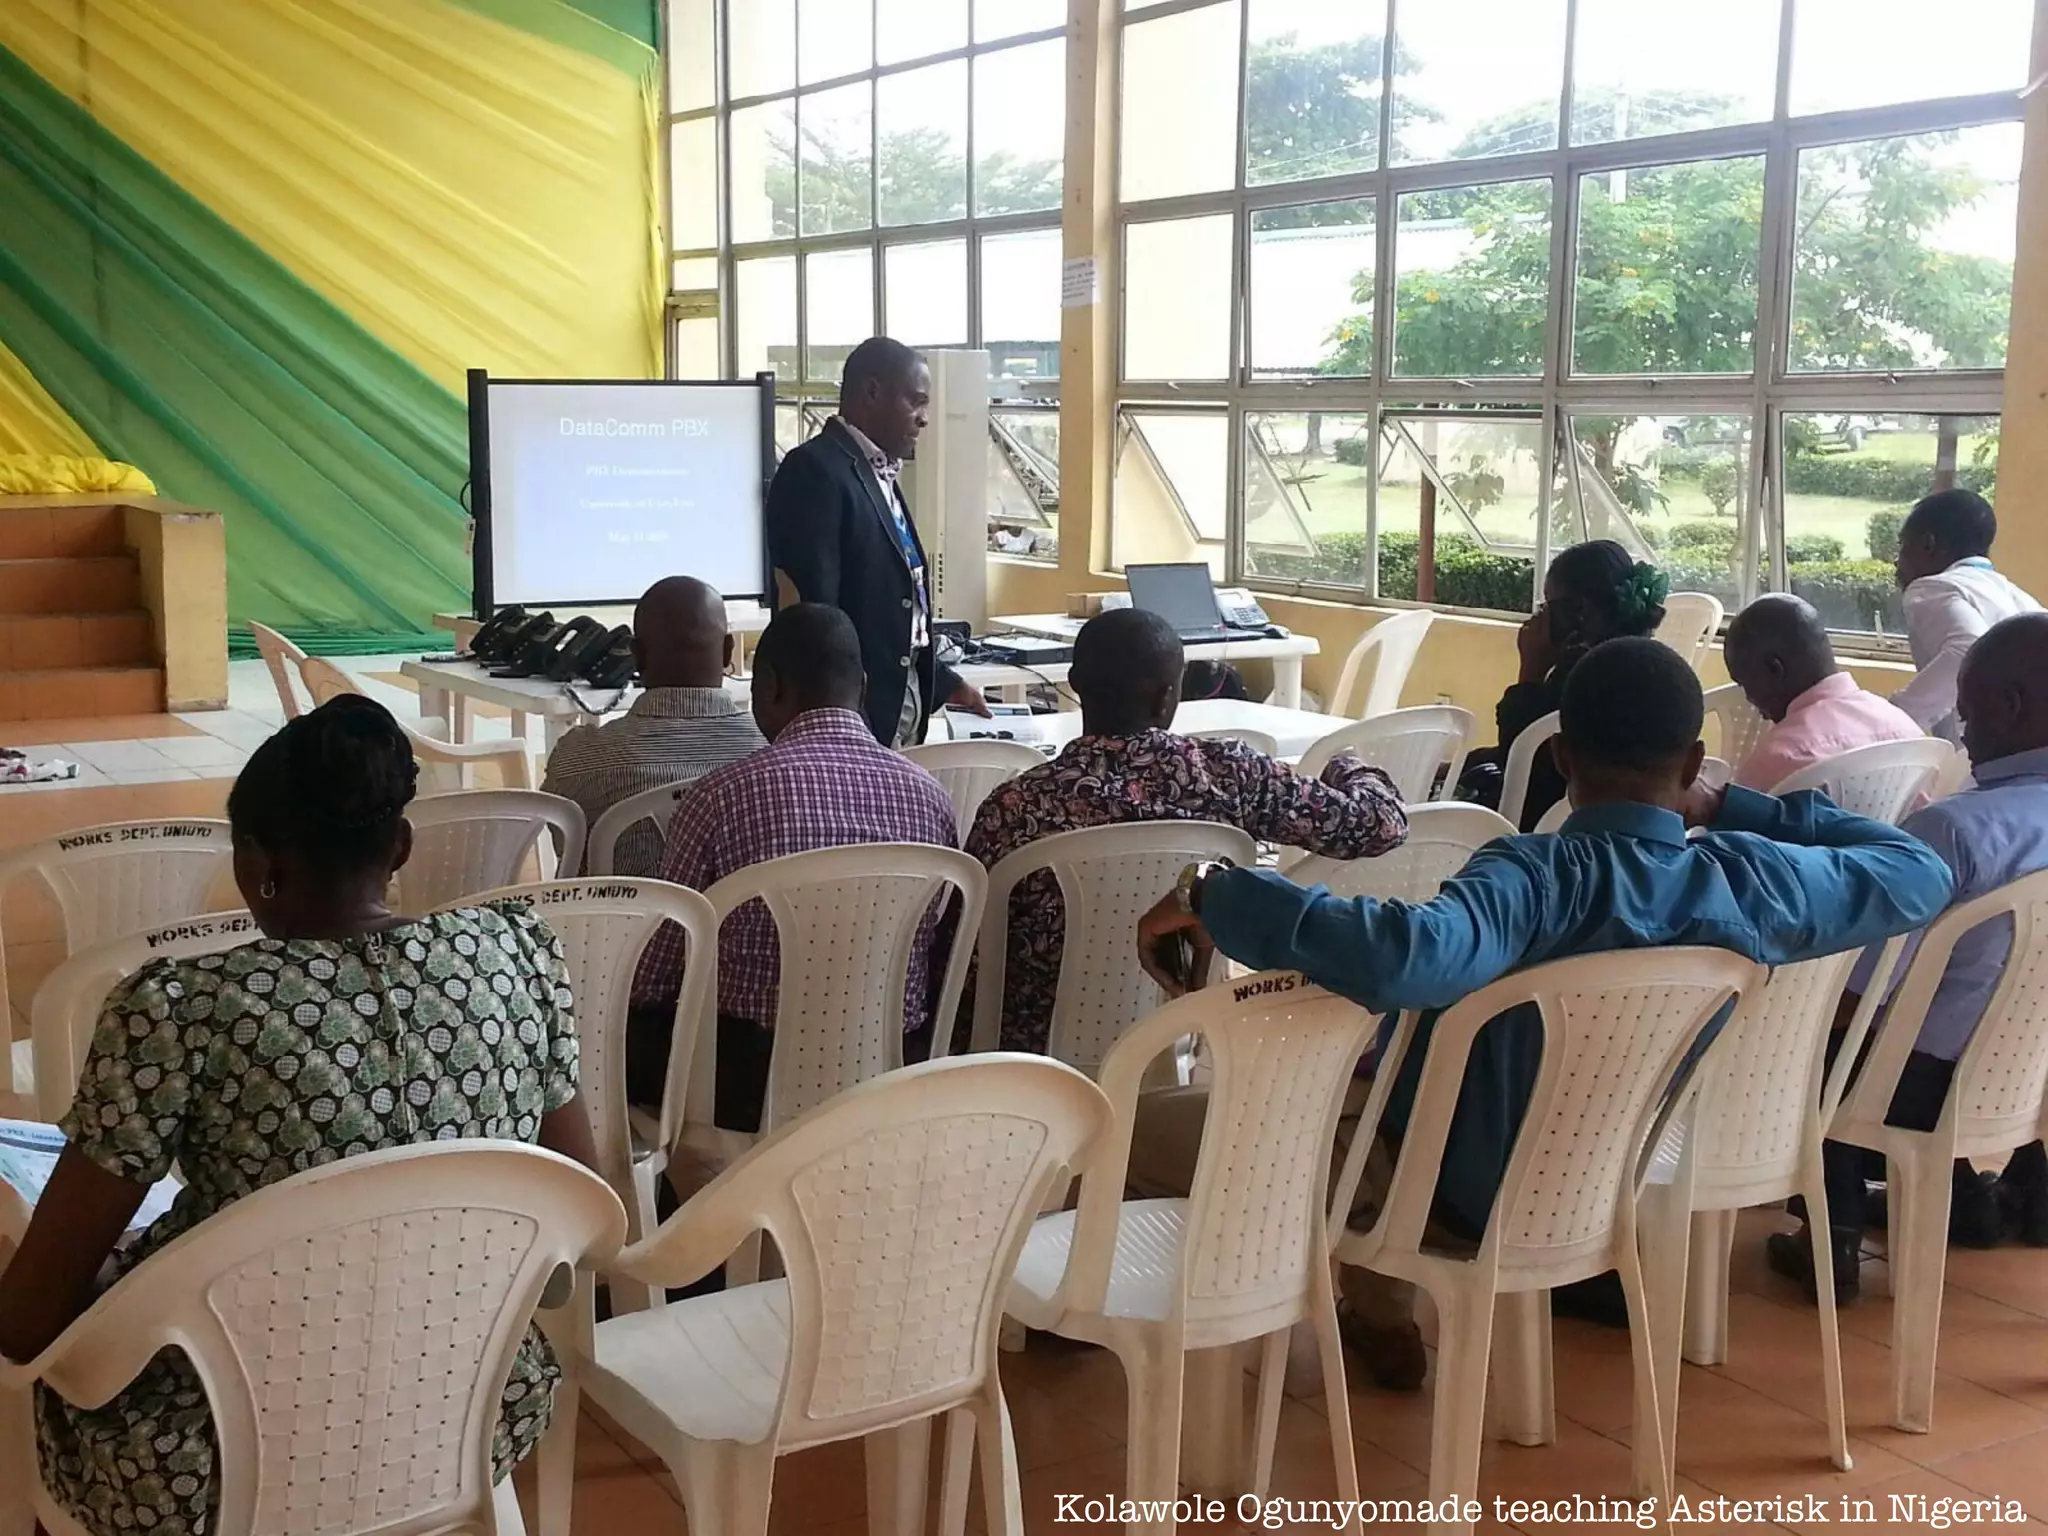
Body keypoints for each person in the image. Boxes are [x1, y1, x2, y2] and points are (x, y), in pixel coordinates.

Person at [1134, 637, 1952, 1389]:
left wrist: (1220, 889)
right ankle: (1373, 1310)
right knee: (1385, 1099)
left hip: (1447, 1191)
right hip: (1603, 1179)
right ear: (1696, 762)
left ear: (1561, 759)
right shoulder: (1750, 883)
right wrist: (1737, 807)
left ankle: (1138, 1333)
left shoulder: (1532, 879)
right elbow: (1916, 869)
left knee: (1121, 1132)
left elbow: (1409, 957)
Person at [0, 695, 598, 1536]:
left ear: (253, 863)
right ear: (400, 846)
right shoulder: (514, 955)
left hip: (216, 1456)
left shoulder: (182, 1010)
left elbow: (28, 1323)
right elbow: (588, 1195)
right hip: (468, 1407)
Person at [964, 607, 1409, 1055]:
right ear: (1167, 697)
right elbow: (1382, 825)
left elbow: (963, 952)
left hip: (1030, 1053)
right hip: (1174, 1029)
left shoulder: (1015, 806)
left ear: (1075, 684)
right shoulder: (1230, 775)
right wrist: (1347, 764)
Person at [1772, 613, 2048, 1298]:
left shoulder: (1954, 830)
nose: (1960, 723)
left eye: (1969, 705)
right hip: (2031, 1077)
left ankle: (1828, 1236)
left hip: (1922, 1091)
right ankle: (1978, 1196)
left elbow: (1859, 995)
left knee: (1808, 1042)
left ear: (2010, 706)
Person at [629, 602, 958, 1130]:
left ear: (771, 688)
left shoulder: (719, 798)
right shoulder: (931, 797)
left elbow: (657, 974)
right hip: (888, 1066)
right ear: (863, 685)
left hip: (746, 1083)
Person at [764, 335, 989, 747]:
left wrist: (943, 682)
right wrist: (846, 715)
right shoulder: (816, 470)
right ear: (871, 392)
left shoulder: (878, 472)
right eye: (916, 402)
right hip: (854, 708)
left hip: (903, 692)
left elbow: (896, 598)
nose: (923, 419)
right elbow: (818, 616)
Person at [540, 575, 764, 874]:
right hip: (738, 921)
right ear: (726, 652)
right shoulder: (772, 751)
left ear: (636, 655)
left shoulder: (579, 758)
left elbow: (563, 844)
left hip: (618, 921)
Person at [1455, 540, 1670, 830]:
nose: (1541, 616)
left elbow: (1521, 761)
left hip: (1540, 828)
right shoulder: (1642, 664)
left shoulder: (1583, 677)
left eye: (1548, 605)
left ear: (1579, 611)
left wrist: (1531, 669)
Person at [1723, 593, 1923, 791]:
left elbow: (1734, 821)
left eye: (1744, 683)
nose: (1749, 698)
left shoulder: (1779, 757)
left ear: (1775, 669)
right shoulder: (1906, 729)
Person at [1890, 488, 2041, 742]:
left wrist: (1893, 719)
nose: (1897, 561)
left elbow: (1968, 647)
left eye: (1904, 546)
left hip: (1980, 760)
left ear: (1928, 544)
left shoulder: (1933, 587)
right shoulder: (2017, 596)